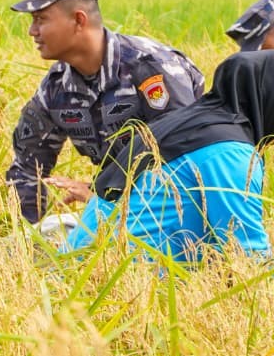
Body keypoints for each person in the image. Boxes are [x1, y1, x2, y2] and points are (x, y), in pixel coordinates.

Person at [5, 0, 204, 223]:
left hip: (179, 215)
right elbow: (26, 167)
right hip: (118, 210)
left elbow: (186, 161)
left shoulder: (151, 68)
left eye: (40, 19)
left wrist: (101, 197)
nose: (32, 31)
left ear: (78, 20)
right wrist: (26, 237)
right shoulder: (55, 88)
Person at [61, 50, 273, 261]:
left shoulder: (185, 124)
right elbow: (248, 256)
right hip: (116, 279)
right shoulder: (229, 152)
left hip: (74, 267)